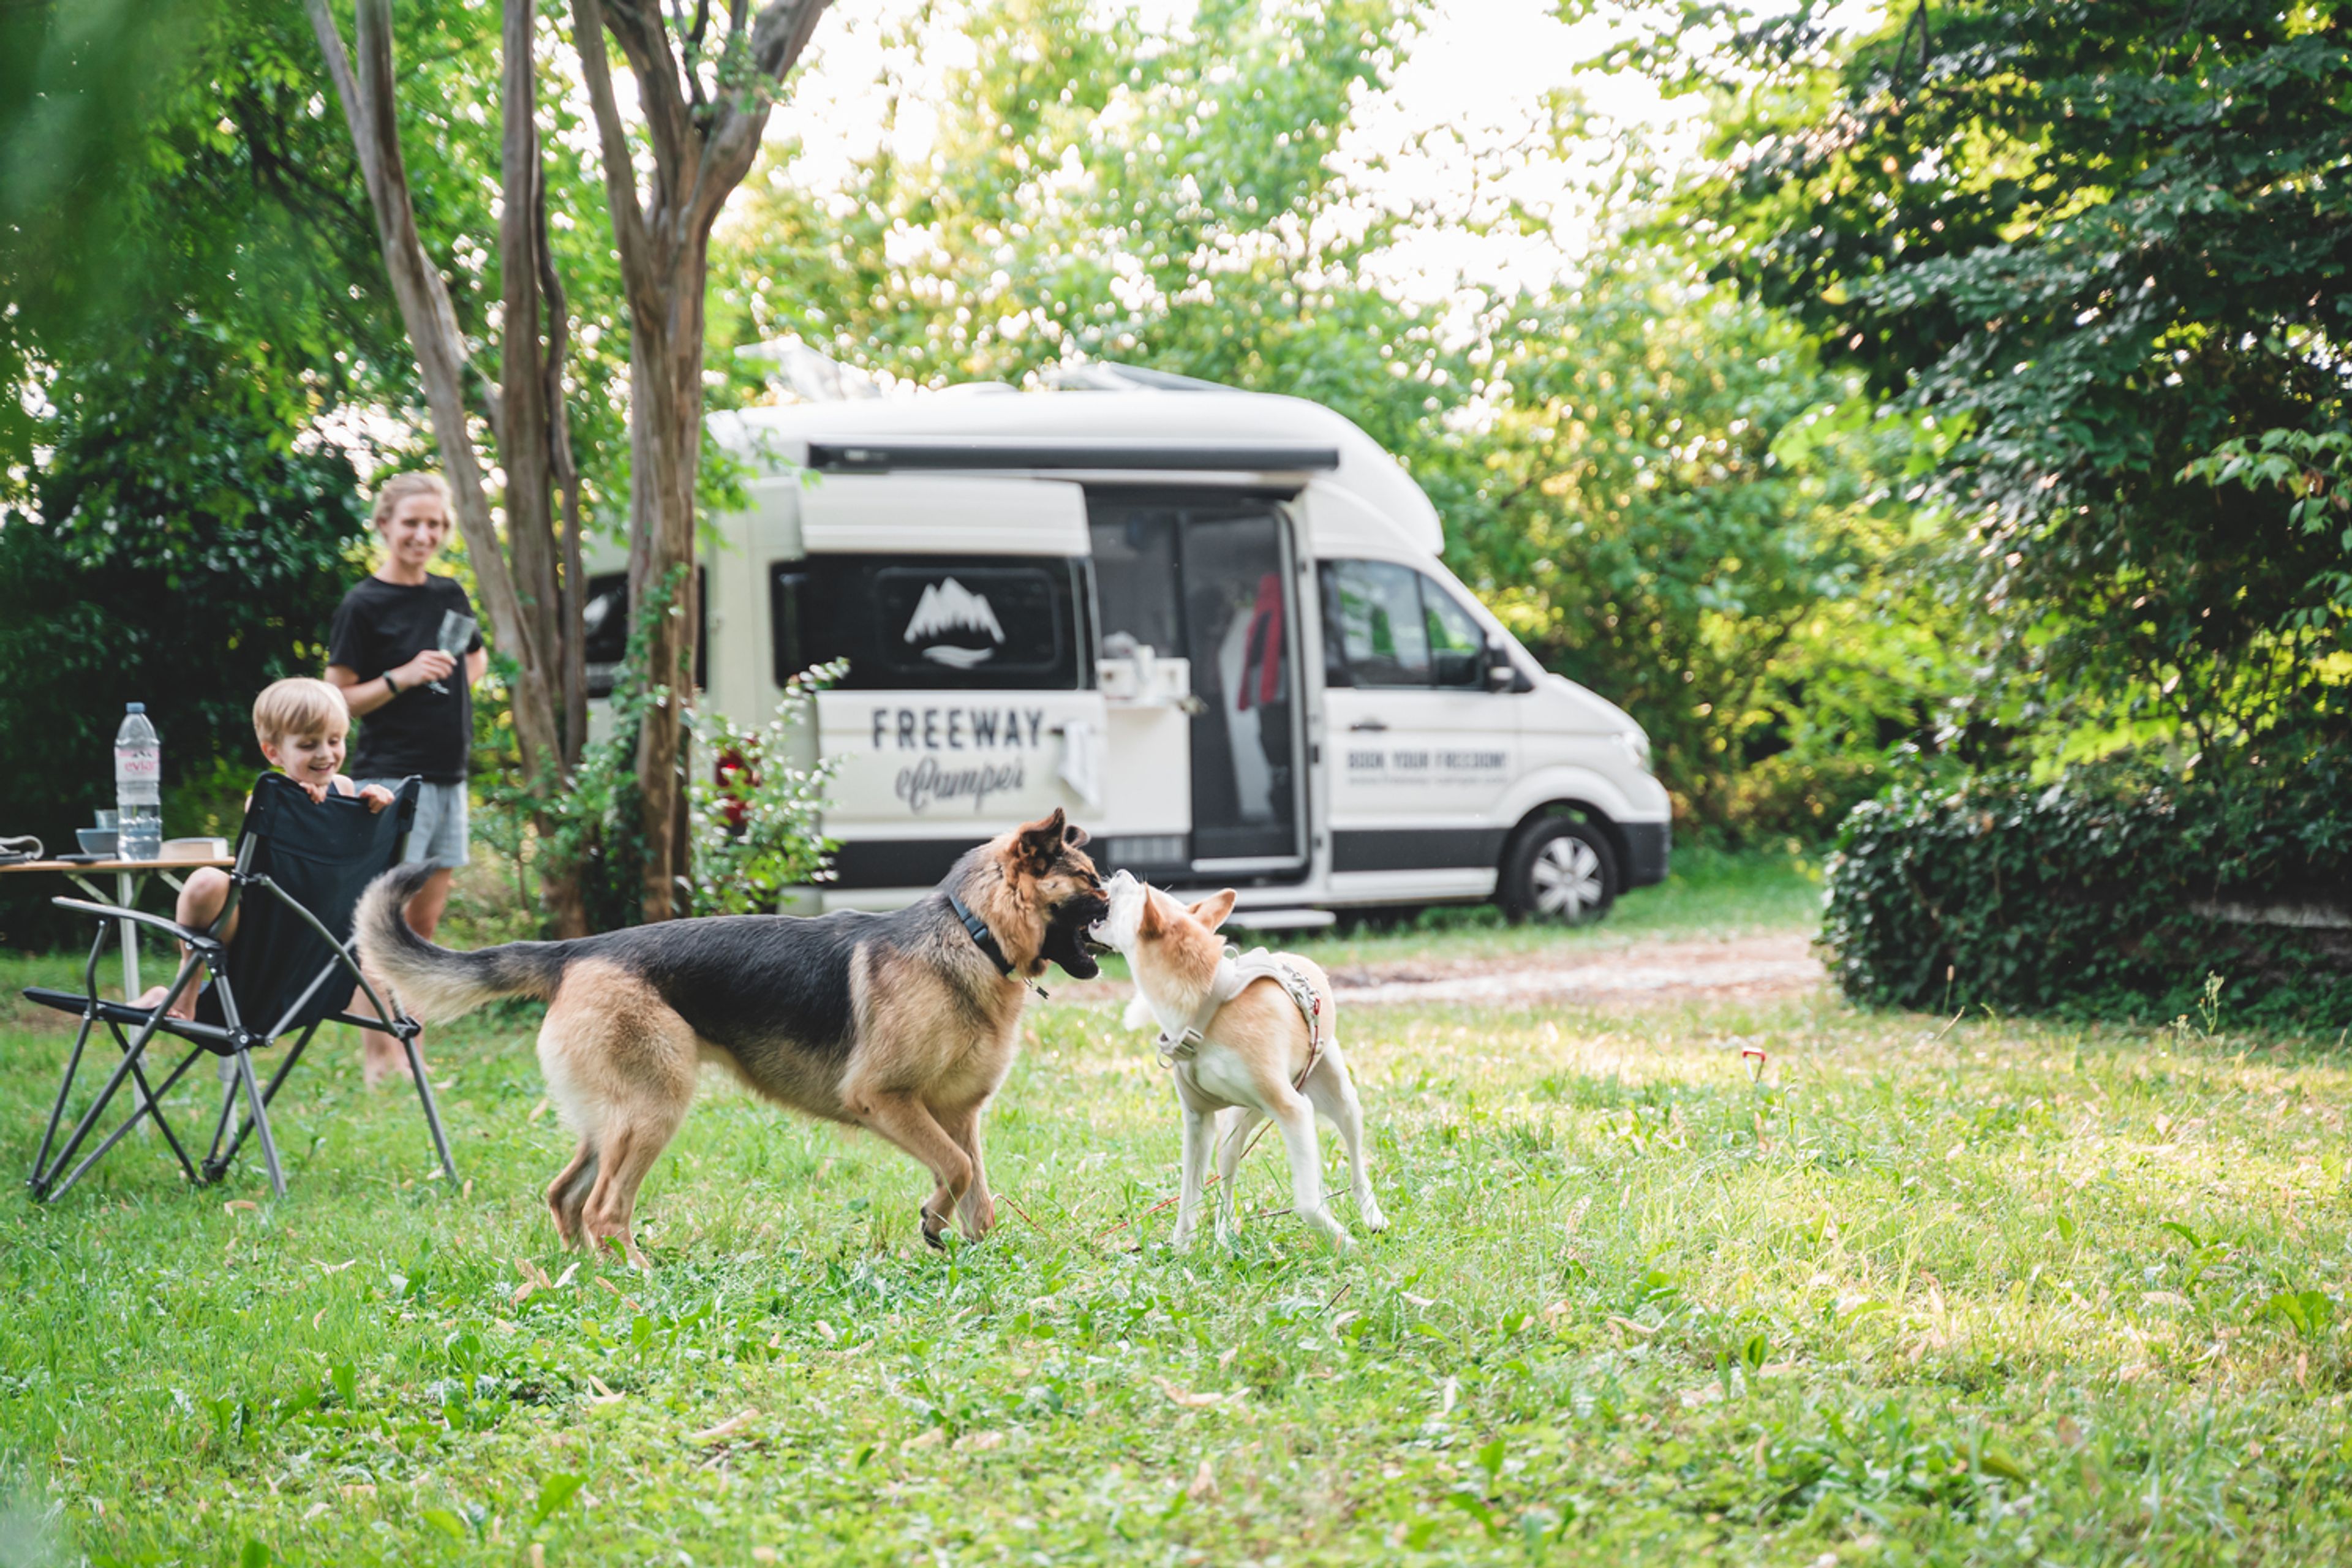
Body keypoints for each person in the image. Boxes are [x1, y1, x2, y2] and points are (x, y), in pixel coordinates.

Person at [326, 472, 487, 1088]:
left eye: (435, 525)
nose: (424, 534)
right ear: (386, 525)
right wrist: (404, 677)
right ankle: (377, 1057)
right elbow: (336, 699)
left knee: (421, 930)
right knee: (382, 923)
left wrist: (458, 678)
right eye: (412, 523)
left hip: (451, 779)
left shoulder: (450, 594)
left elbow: (475, 657)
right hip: (390, 780)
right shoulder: (362, 604)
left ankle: (410, 1049)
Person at [135, 679, 396, 1019]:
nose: (325, 754)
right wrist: (297, 806)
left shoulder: (346, 790)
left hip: (317, 953)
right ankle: (185, 989)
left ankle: (161, 996)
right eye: (307, 745)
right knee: (206, 882)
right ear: (273, 752)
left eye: (335, 741)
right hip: (258, 940)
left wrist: (372, 807)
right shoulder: (265, 803)